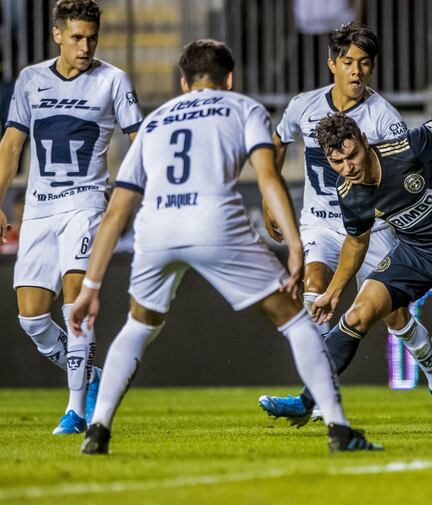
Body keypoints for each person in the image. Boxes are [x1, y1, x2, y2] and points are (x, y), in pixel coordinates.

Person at [69, 39, 381, 454]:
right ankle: (339, 430)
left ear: (184, 82)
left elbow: (117, 210)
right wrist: (294, 245)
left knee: (139, 324)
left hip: (156, 226)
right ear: (228, 78)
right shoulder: (242, 106)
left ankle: (98, 428)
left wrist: (90, 287)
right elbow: (268, 178)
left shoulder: (155, 120)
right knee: (295, 320)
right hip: (214, 219)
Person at [259, 22, 432, 429]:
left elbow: (404, 174)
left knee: (395, 318)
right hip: (321, 224)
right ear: (331, 63)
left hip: (374, 229)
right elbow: (277, 143)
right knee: (315, 290)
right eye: (348, 62)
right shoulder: (303, 106)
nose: (356, 71)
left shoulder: (384, 117)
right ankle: (316, 398)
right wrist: (267, 198)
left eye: (364, 64)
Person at [297, 111, 432, 435]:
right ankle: (306, 400)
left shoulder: (407, 148)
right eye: (338, 162)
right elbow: (356, 242)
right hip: (416, 253)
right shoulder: (348, 192)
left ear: (365, 143)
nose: (349, 167)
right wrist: (333, 293)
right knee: (358, 314)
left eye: (353, 155)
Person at [0, 0, 142, 434]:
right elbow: (10, 146)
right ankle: (91, 375)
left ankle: (76, 410)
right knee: (31, 318)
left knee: (76, 299)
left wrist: (129, 193)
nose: (85, 46)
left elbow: (141, 139)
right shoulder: (30, 80)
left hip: (86, 203)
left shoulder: (113, 80)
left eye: (92, 38)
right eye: (77, 37)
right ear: (57, 34)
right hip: (40, 207)